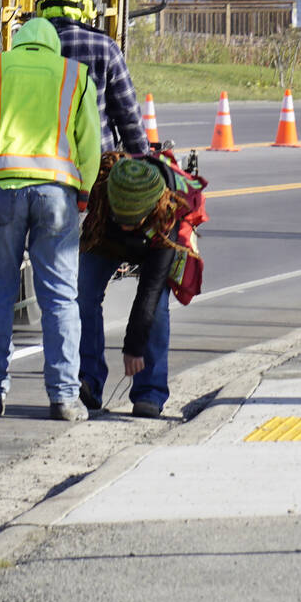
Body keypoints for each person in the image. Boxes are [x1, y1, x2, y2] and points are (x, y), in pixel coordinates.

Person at [0, 15, 102, 420]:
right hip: (57, 196)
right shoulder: (75, 75)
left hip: (0, 192)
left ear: (19, 43)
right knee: (59, 297)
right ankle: (65, 398)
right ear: (53, 47)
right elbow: (90, 145)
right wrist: (82, 195)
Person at [78, 154, 201, 418]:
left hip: (152, 242)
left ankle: (150, 392)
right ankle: (88, 380)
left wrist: (133, 348)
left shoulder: (168, 216)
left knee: (155, 310)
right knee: (83, 295)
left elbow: (149, 292)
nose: (125, 225)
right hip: (104, 238)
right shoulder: (101, 195)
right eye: (120, 217)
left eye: (131, 220)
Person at [36, 0, 149, 156]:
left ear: (42, 10)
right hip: (95, 162)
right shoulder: (105, 48)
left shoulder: (29, 49)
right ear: (86, 10)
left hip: (41, 160)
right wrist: (142, 158)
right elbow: (128, 113)